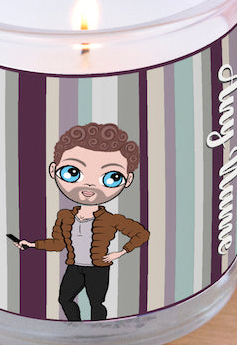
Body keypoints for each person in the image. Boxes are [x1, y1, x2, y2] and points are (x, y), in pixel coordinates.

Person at [17, 122, 149, 321]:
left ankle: (100, 331)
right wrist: (32, 245)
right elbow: (58, 244)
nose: (89, 184)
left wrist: (121, 252)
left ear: (128, 180)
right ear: (53, 170)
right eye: (72, 172)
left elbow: (142, 233)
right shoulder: (65, 217)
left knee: (96, 304)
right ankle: (75, 328)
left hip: (98, 269)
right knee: (64, 299)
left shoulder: (111, 220)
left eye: (111, 177)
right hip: (75, 268)